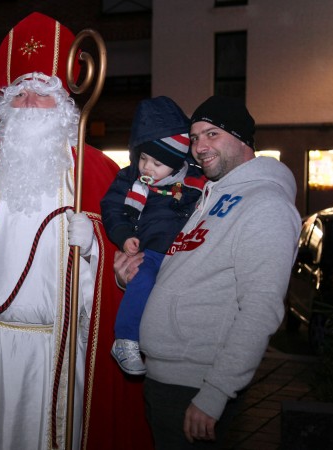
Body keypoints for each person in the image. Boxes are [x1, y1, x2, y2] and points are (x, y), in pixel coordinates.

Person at [0, 12, 153, 450]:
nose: (31, 104)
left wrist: (93, 248)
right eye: (20, 94)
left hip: (58, 351)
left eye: (43, 93)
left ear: (65, 105)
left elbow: (126, 270)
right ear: (3, 105)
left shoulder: (97, 176)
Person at [119, 95, 301, 449]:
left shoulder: (265, 205)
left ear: (243, 140)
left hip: (196, 385)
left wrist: (215, 393)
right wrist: (130, 278)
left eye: (212, 134)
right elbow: (184, 275)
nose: (199, 146)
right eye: (195, 137)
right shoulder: (212, 196)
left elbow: (261, 309)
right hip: (167, 378)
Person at [101, 96, 205, 376]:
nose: (147, 167)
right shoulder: (131, 179)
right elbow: (111, 207)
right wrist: (123, 236)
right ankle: (125, 340)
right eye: (143, 158)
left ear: (175, 163)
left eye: (157, 163)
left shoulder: (196, 183)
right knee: (142, 283)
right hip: (151, 251)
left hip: (184, 256)